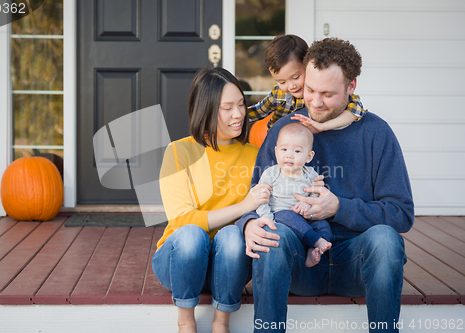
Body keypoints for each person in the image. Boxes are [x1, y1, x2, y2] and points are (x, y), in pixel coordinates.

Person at [236, 38, 414, 333]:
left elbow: (401, 213)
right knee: (272, 232)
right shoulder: (285, 129)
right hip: (296, 260)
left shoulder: (377, 133)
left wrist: (339, 208)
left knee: (385, 239)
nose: (315, 102)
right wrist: (249, 223)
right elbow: (257, 195)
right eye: (310, 90)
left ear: (351, 86)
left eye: (328, 94)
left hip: (355, 262)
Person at [152, 67, 271, 333]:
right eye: (227, 108)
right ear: (205, 110)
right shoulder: (179, 151)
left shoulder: (256, 156)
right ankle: (186, 322)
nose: (239, 114)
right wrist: (243, 207)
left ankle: (221, 323)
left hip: (229, 266)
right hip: (180, 262)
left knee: (231, 236)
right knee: (192, 234)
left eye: (241, 104)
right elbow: (181, 220)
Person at [248, 34, 367, 131]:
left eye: (296, 77)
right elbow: (258, 111)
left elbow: (356, 109)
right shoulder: (277, 94)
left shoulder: (318, 94)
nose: (291, 86)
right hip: (280, 143)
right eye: (282, 82)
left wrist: (324, 126)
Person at [256, 122, 331, 268]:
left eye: (297, 151)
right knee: (288, 216)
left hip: (307, 216)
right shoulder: (271, 174)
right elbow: (261, 199)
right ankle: (317, 241)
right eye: (284, 149)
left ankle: (313, 250)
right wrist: (267, 219)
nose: (289, 155)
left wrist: (308, 204)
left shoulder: (311, 175)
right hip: (282, 216)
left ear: (309, 156)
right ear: (276, 151)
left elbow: (317, 194)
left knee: (324, 225)